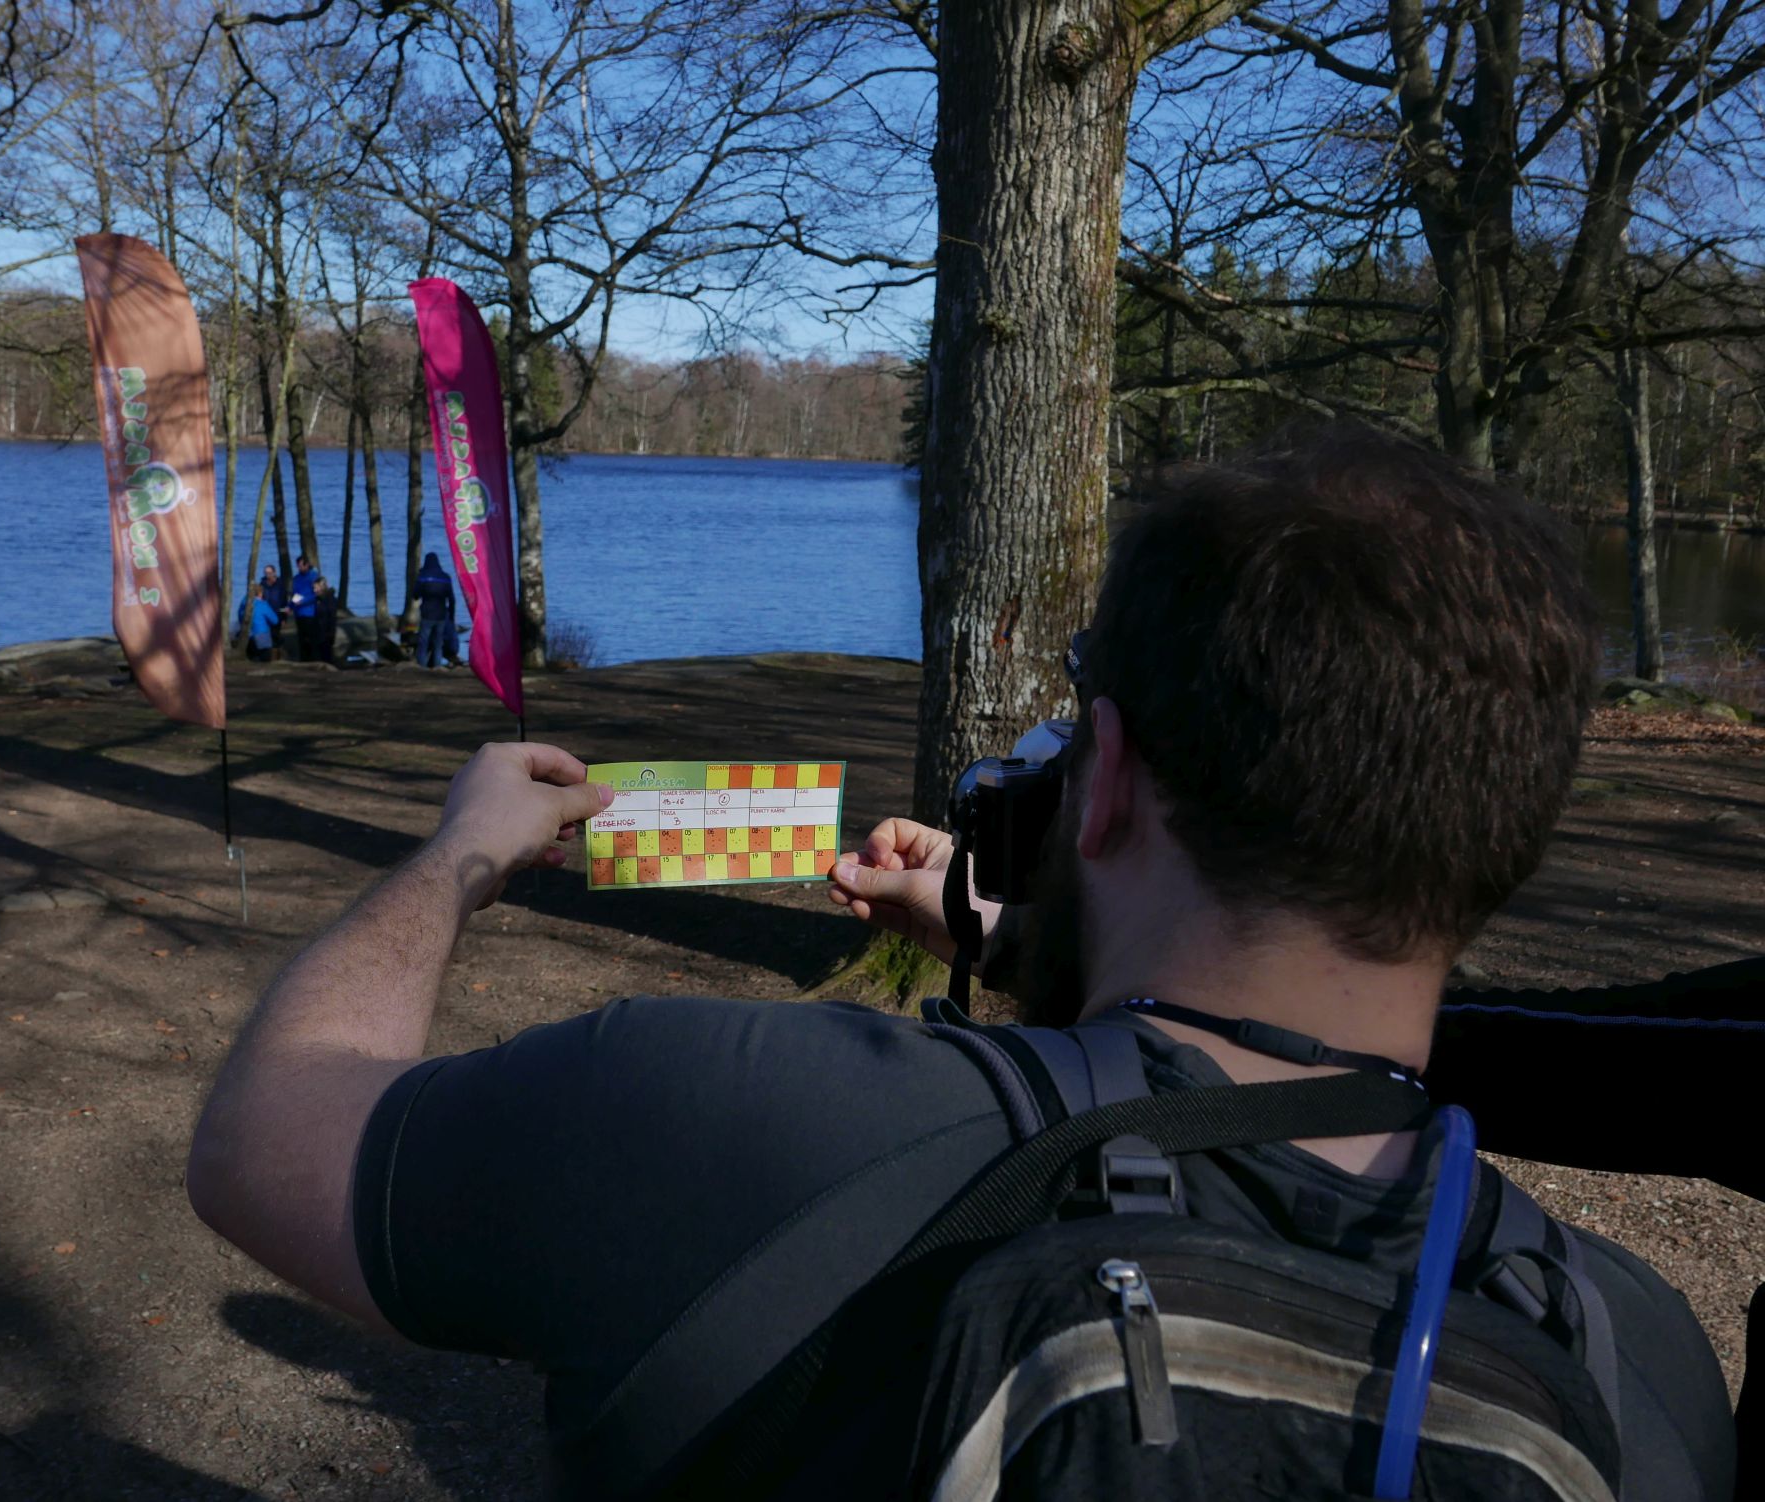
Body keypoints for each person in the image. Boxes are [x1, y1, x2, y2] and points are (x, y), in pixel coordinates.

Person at [187, 427, 1736, 1501]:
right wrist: (1022, 942)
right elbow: (1251, 1081)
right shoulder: (1645, 1366)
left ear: (1106, 778)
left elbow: (269, 1139)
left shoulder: (727, 1117)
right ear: (1495, 833)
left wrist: (456, 858)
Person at [410, 551, 460, 669]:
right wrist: (452, 616)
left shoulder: (423, 577)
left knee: (423, 641)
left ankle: (422, 667)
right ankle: (438, 666)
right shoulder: (445, 577)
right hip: (441, 615)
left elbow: (415, 595)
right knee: (438, 643)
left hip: (427, 614)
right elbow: (452, 599)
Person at [288, 554, 322, 662]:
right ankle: (303, 660)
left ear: (307, 565)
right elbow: (295, 595)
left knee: (311, 638)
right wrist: (290, 606)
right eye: (298, 566)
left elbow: (316, 595)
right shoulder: (296, 579)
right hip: (299, 613)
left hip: (310, 612)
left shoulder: (313, 576)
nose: (299, 568)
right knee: (301, 638)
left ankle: (314, 659)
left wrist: (303, 601)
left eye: (301, 566)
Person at [242, 583, 278, 663]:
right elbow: (275, 620)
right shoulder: (262, 605)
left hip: (247, 634)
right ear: (260, 593)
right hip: (261, 635)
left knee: (252, 656)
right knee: (265, 658)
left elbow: (240, 617)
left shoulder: (244, 603)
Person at [259, 565, 288, 656]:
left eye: (269, 572)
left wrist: (284, 618)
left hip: (277, 614)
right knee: (266, 635)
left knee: (276, 635)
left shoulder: (280, 585)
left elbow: (284, 602)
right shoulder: (262, 584)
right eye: (266, 573)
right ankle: (268, 654)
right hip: (265, 614)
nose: (267, 575)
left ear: (274, 572)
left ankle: (278, 652)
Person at [311, 576, 339, 667]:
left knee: (327, 656)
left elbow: (332, 618)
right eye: (313, 588)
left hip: (326, 634)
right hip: (318, 633)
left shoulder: (330, 600)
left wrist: (331, 633)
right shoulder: (318, 600)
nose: (314, 590)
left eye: (316, 588)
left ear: (322, 587)